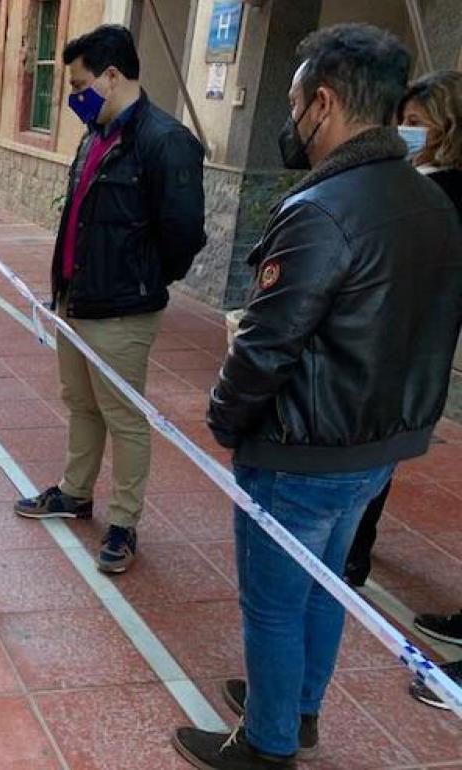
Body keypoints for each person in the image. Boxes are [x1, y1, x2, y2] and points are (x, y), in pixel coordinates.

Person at [174, 25, 462, 769]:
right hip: (377, 447)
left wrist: (225, 420)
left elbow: (267, 343)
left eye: (296, 101)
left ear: (323, 104)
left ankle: (269, 746)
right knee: (324, 589)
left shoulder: (323, 209)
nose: (291, 119)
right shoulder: (428, 200)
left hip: (302, 448)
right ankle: (293, 708)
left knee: (274, 603)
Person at [12, 24, 206, 575]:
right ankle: (75, 493)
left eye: (79, 84)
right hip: (76, 299)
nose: (73, 96)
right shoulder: (96, 134)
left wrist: (144, 282)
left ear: (113, 76)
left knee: (124, 416)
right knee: (80, 403)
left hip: (123, 308)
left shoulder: (165, 142)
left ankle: (124, 522)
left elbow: (184, 234)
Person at [345, 70, 462, 590]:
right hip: (403, 340)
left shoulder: (440, 193)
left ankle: (350, 554)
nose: (407, 133)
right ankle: (352, 548)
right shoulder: (415, 181)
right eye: (402, 122)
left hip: (404, 342)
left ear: (448, 126)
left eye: (418, 123)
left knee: (374, 445)